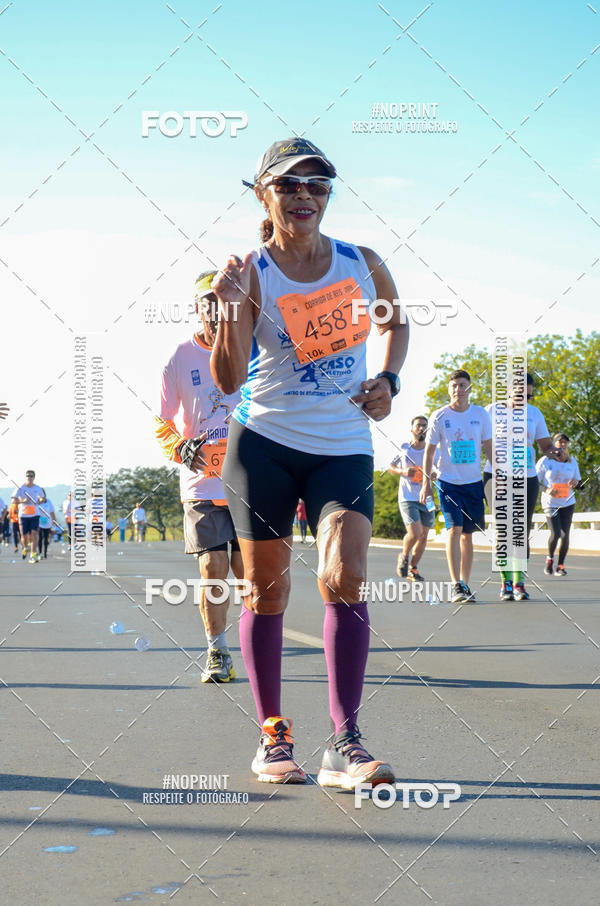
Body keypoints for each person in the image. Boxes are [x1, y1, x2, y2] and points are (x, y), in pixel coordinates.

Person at [211, 138, 408, 787]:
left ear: (329, 194)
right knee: (266, 591)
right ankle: (272, 736)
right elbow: (229, 377)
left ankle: (344, 742)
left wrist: (389, 380)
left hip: (342, 442)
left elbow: (395, 324)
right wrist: (228, 314)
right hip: (263, 442)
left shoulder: (360, 263)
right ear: (264, 194)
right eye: (290, 184)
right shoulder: (250, 273)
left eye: (317, 184)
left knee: (344, 575)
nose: (304, 195)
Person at [155, 270, 243, 683]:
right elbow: (161, 423)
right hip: (202, 483)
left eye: (222, 302)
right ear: (197, 308)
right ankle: (217, 651)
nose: (215, 309)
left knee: (250, 576)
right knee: (214, 568)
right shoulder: (179, 359)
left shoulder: (251, 351)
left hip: (250, 483)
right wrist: (179, 446)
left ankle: (258, 644)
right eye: (207, 302)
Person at [483, 373, 557, 601]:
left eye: (529, 395)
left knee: (521, 531)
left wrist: (556, 452)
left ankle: (519, 583)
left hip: (527, 476)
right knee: (505, 530)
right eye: (520, 394)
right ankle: (505, 582)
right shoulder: (491, 410)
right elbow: (483, 442)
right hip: (496, 475)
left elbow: (544, 444)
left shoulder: (534, 414)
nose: (524, 399)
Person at [421, 370, 492, 604]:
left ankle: (465, 583)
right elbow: (429, 451)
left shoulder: (480, 414)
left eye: (462, 385)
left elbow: (489, 446)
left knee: (467, 536)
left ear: (469, 389)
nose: (458, 390)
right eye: (454, 386)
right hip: (448, 481)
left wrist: (498, 475)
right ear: (449, 389)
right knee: (454, 529)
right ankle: (455, 585)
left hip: (473, 483)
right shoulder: (440, 416)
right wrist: (426, 484)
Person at [388, 415, 439, 582]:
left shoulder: (433, 449)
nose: (421, 428)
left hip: (428, 496)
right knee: (415, 532)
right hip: (408, 497)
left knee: (424, 535)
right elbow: (391, 466)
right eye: (418, 425)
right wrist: (403, 472)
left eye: (424, 425)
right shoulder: (404, 448)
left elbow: (441, 469)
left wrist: (434, 475)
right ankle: (403, 555)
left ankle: (413, 568)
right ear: (412, 429)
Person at [537, 433, 581, 576]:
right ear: (554, 444)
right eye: (559, 442)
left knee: (565, 535)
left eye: (565, 442)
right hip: (550, 502)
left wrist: (576, 484)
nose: (562, 444)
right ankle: (550, 559)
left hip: (568, 502)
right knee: (556, 533)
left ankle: (560, 565)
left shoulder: (572, 462)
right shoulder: (545, 461)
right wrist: (547, 489)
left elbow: (580, 483)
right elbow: (534, 482)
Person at [12, 470, 46, 563]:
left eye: (31, 476)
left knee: (34, 534)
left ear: (34, 477)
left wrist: (40, 500)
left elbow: (43, 497)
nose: (29, 477)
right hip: (23, 515)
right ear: (25, 477)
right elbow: (13, 500)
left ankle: (33, 555)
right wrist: (23, 501)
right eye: (28, 476)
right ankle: (25, 548)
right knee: (24, 535)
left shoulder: (37, 488)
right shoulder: (20, 488)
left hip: (35, 514)